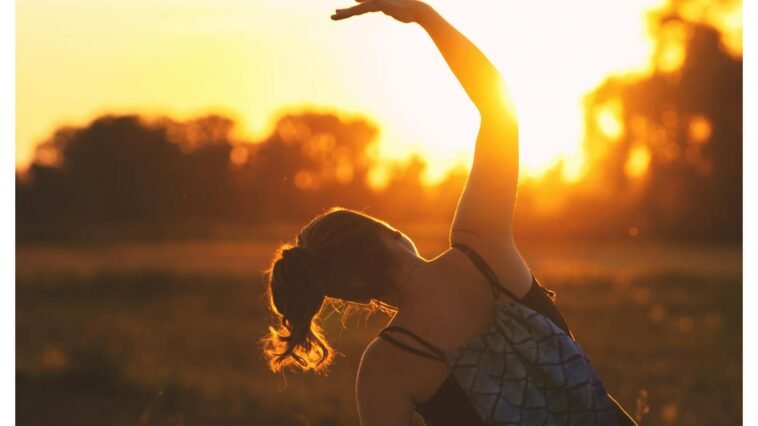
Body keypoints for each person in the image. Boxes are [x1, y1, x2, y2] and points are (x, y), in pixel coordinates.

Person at [262, 1, 637, 424]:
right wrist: (425, 16)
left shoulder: (384, 370)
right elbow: (499, 110)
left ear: (355, 293)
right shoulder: (483, 248)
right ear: (388, 233)